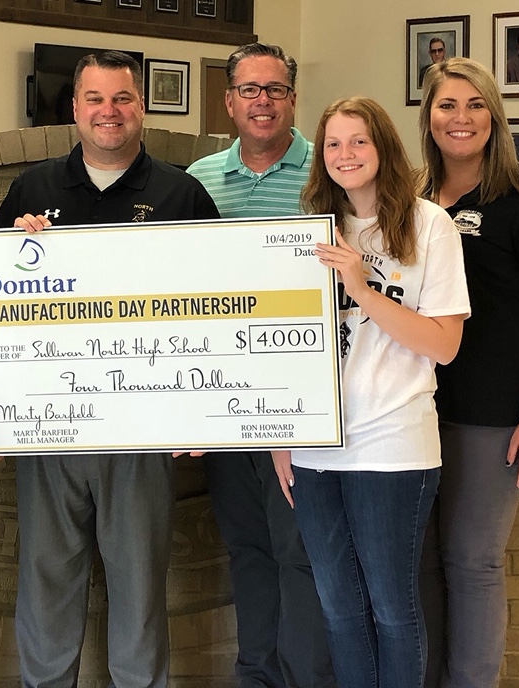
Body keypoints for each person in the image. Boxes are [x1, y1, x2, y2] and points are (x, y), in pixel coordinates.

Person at [0, 51, 219, 688]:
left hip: (144, 432)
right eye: (95, 99)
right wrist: (18, 249)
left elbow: (218, 308)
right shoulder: (31, 190)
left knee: (141, 586)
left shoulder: (182, 192)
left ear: (140, 106)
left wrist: (200, 412)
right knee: (46, 581)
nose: (108, 112)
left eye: (121, 99)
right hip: (50, 428)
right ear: (75, 108)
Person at [272, 97, 469, 688]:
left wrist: (360, 285)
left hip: (393, 443)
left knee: (392, 608)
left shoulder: (430, 224)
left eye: (358, 141)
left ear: (383, 146)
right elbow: (282, 340)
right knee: (338, 606)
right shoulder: (309, 229)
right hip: (315, 448)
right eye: (333, 144)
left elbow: (443, 345)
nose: (345, 155)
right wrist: (282, 434)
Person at [416, 58, 519, 688]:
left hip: (491, 414)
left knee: (472, 561)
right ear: (427, 117)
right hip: (414, 409)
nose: (461, 119)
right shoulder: (411, 195)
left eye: (475, 105)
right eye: (447, 106)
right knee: (420, 563)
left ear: (495, 115)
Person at [186, 43, 335, 688]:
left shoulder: (325, 174)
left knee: (298, 551)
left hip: (302, 399)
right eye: (250, 89)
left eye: (275, 89)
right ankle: (256, 676)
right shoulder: (199, 178)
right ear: (229, 102)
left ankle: (304, 678)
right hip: (223, 397)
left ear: (293, 98)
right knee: (246, 549)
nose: (263, 100)